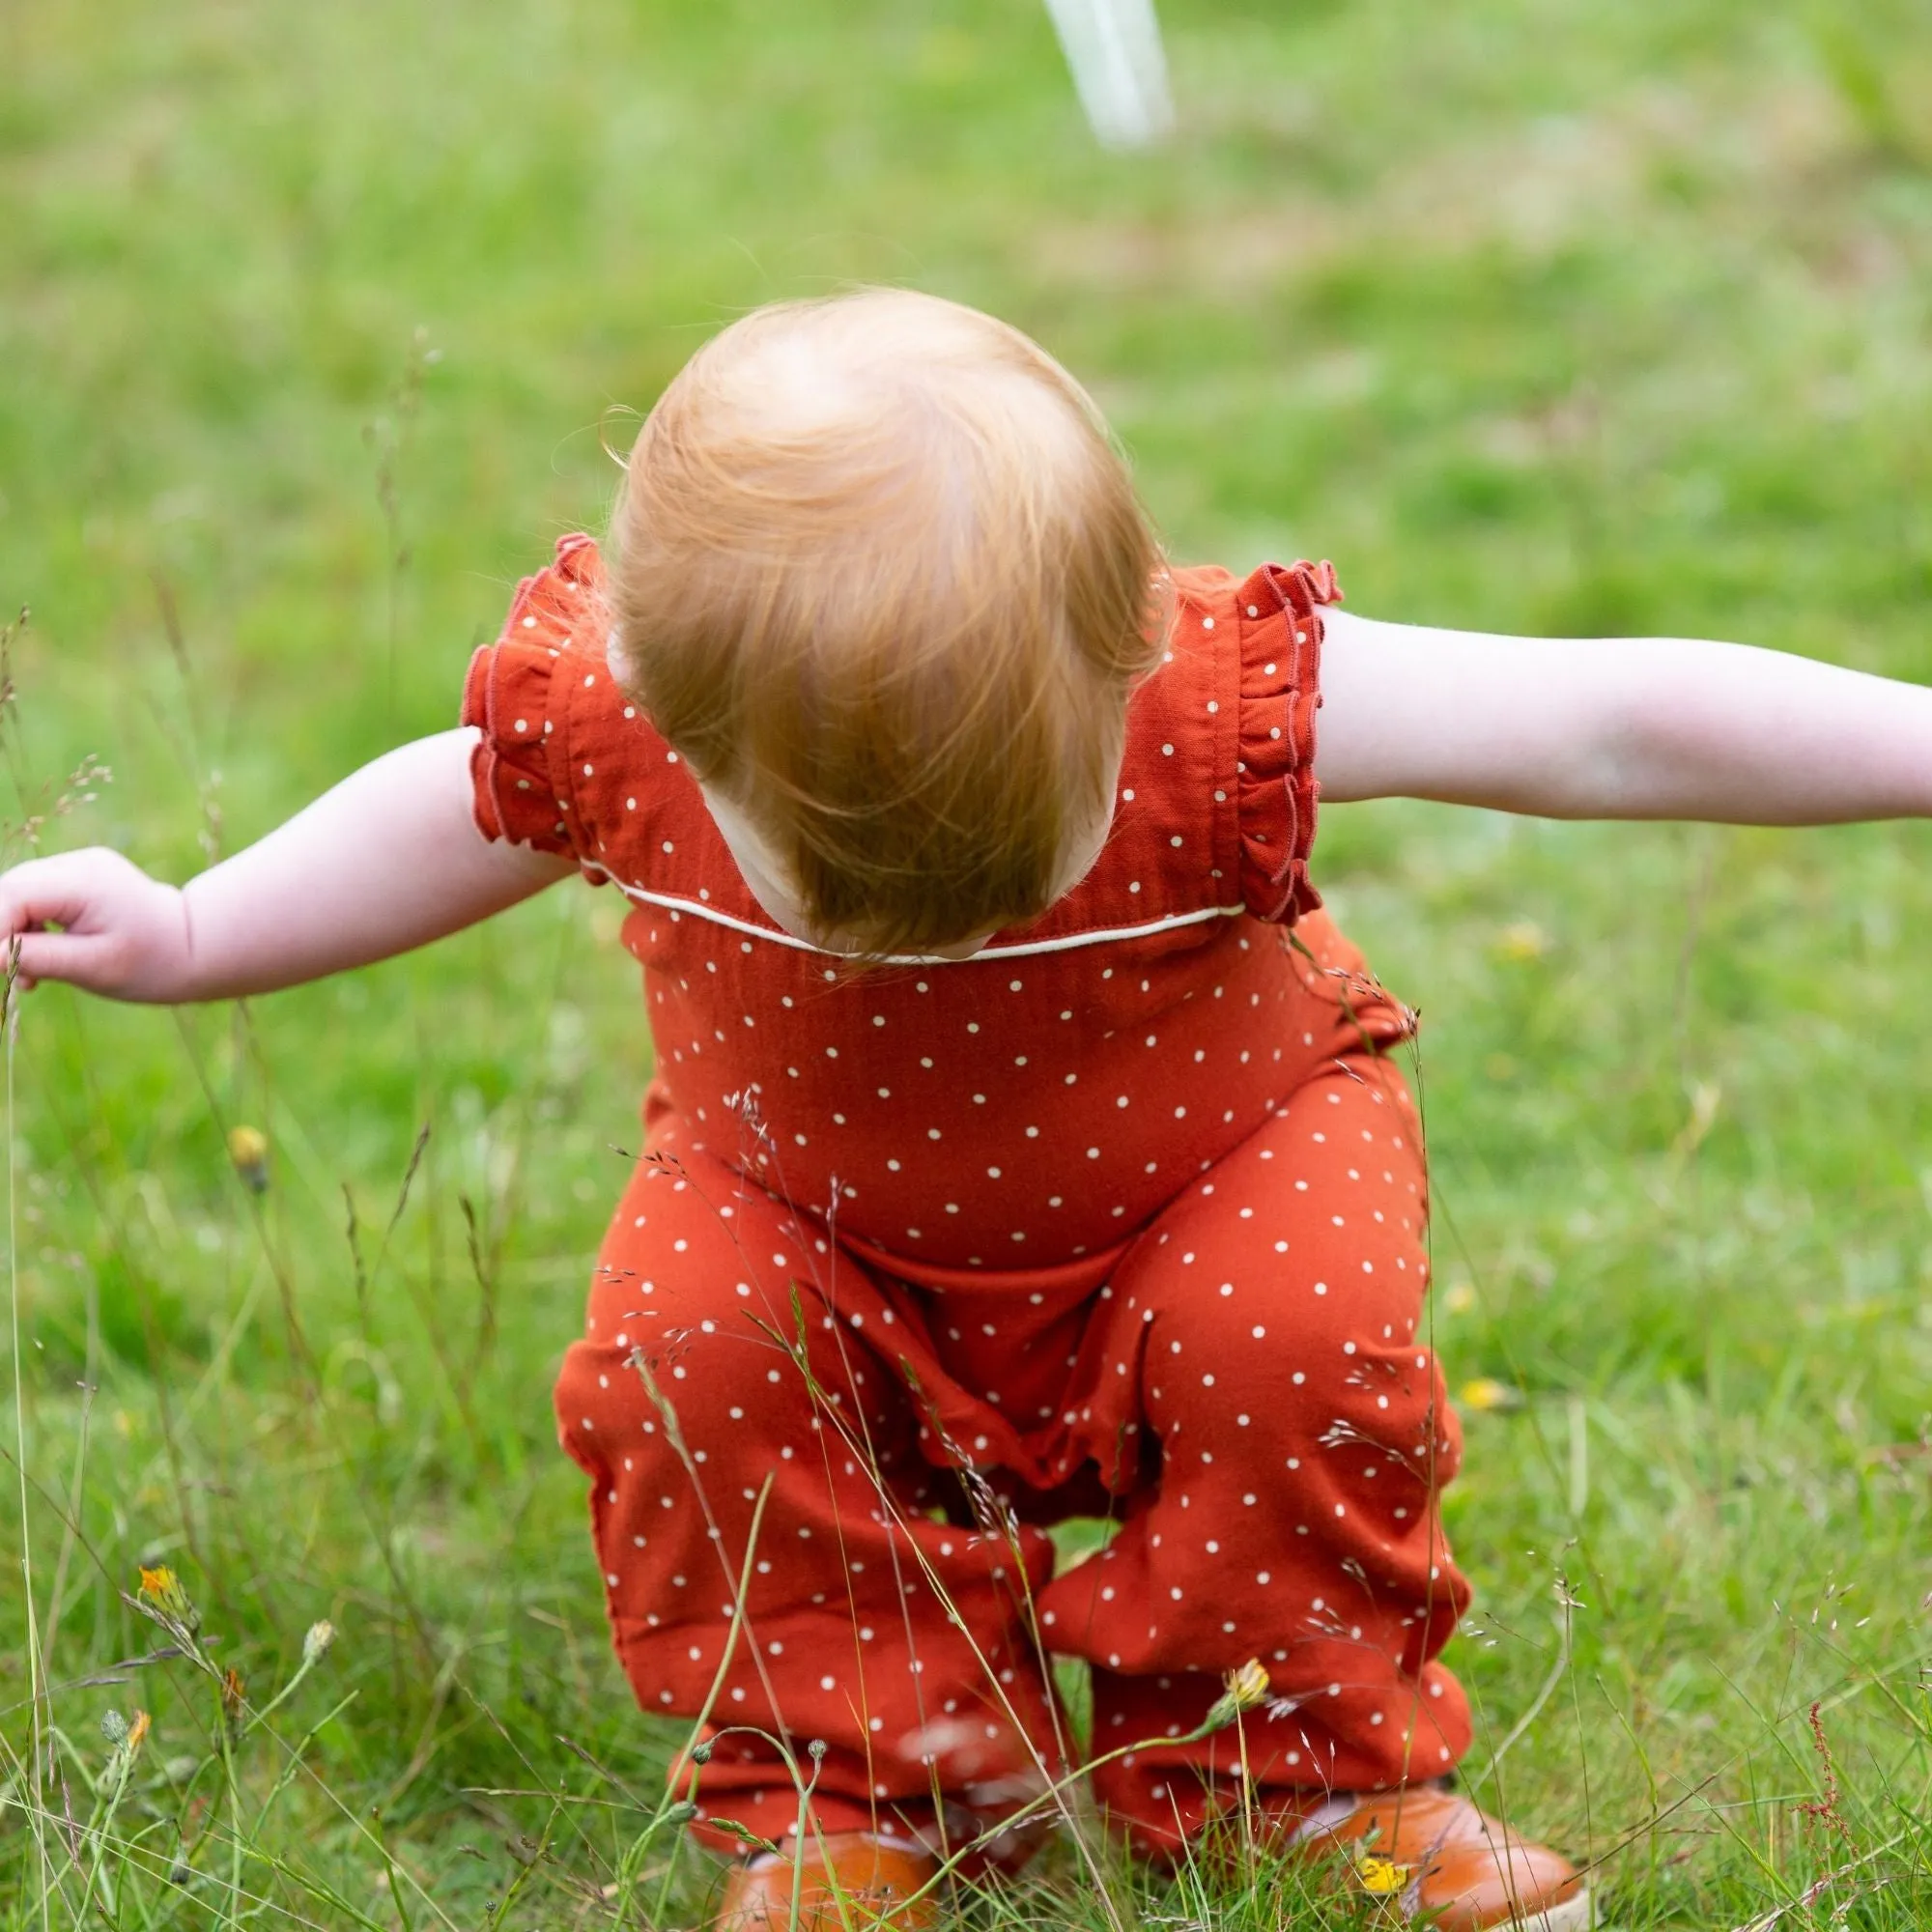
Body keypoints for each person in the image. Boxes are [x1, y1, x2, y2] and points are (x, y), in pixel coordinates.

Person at [6, 288, 1928, 1932]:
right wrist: (192, 925)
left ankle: (1297, 1774)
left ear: (1118, 650)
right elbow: (441, 807)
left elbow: (1609, 719)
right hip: (806, 1202)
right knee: (693, 1344)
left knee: (1290, 1337)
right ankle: (883, 1789)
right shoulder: (620, 718)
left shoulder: (1222, 689)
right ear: (661, 712)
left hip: (1214, 1165)